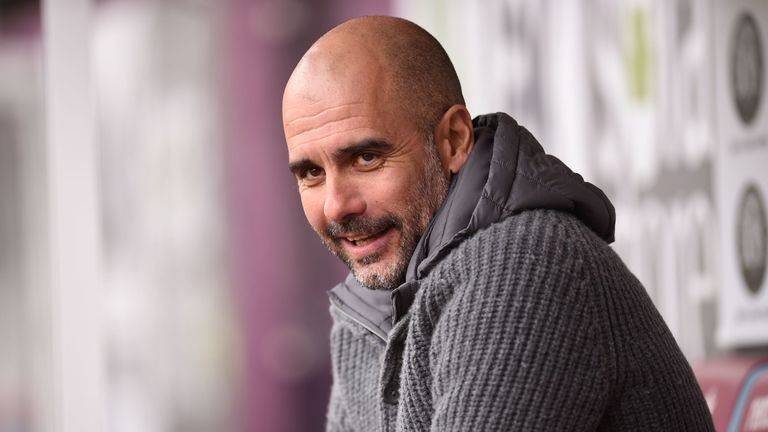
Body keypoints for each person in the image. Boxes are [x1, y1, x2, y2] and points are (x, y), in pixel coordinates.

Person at [282, 15, 714, 432]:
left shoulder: (525, 266)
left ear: (453, 140)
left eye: (366, 157)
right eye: (311, 174)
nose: (337, 206)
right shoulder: (368, 303)